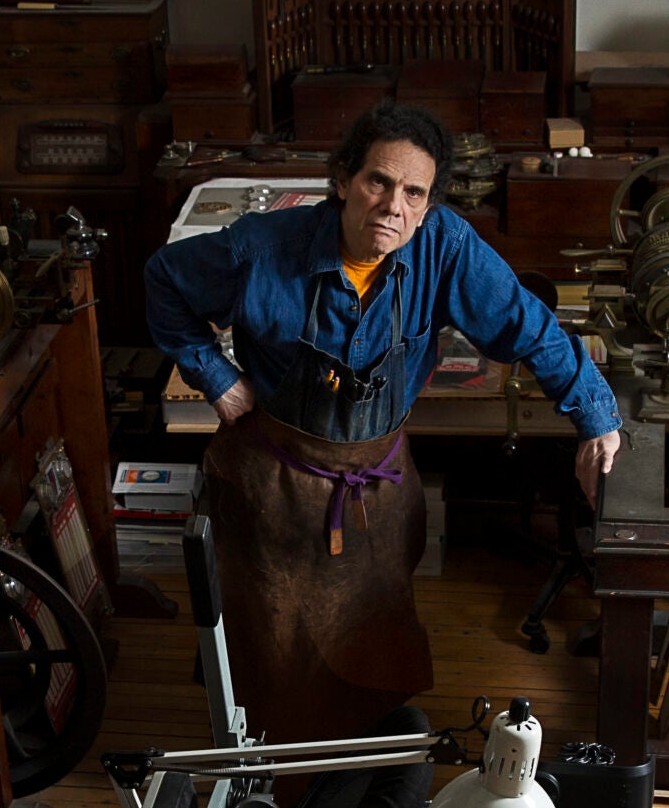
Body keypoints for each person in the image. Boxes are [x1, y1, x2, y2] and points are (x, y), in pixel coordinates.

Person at [145, 101, 621, 748]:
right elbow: (163, 281)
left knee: (372, 635)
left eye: (413, 192)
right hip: (273, 483)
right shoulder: (261, 249)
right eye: (379, 181)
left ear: (427, 205)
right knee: (278, 648)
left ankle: (366, 771)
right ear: (342, 180)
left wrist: (595, 419)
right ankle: (274, 780)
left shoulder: (445, 247)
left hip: (376, 489)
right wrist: (218, 379)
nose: (393, 205)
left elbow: (529, 327)